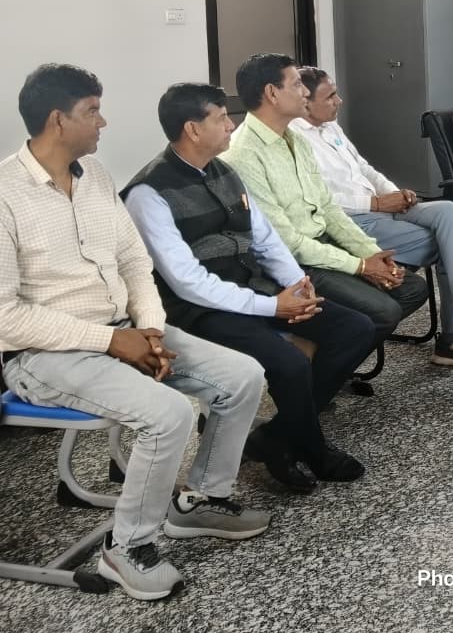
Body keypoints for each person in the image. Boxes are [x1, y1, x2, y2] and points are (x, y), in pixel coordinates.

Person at [0, 64, 270, 601]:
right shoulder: (6, 194)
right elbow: (6, 316)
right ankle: (126, 549)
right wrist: (111, 342)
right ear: (58, 120)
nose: (103, 122)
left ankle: (201, 501)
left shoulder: (96, 176)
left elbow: (133, 263)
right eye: (92, 111)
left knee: (243, 376)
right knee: (167, 414)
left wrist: (148, 329)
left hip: (126, 330)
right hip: (44, 354)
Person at [123, 83, 375, 492]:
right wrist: (272, 307)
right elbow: (187, 282)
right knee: (289, 363)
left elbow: (265, 238)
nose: (231, 125)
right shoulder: (148, 193)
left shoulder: (224, 171)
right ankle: (311, 447)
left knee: (355, 329)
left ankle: (277, 438)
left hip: (255, 290)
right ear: (192, 129)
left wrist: (296, 285)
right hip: (199, 310)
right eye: (222, 117)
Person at [291, 66, 453, 367]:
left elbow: (364, 169)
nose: (339, 101)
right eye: (330, 96)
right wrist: (376, 203)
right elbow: (320, 200)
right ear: (305, 102)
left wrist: (397, 195)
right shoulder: (295, 138)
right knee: (452, 241)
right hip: (353, 221)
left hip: (382, 210)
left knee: (449, 212)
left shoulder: (330, 127)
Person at [220, 54, 430, 360]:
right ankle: (311, 366)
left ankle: (324, 351)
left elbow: (329, 209)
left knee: (412, 289)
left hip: (324, 246)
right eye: (297, 85)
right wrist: (360, 266)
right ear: (272, 93)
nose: (305, 92)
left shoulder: (296, 140)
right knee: (383, 311)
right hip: (294, 263)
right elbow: (287, 243)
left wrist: (370, 253)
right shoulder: (243, 154)